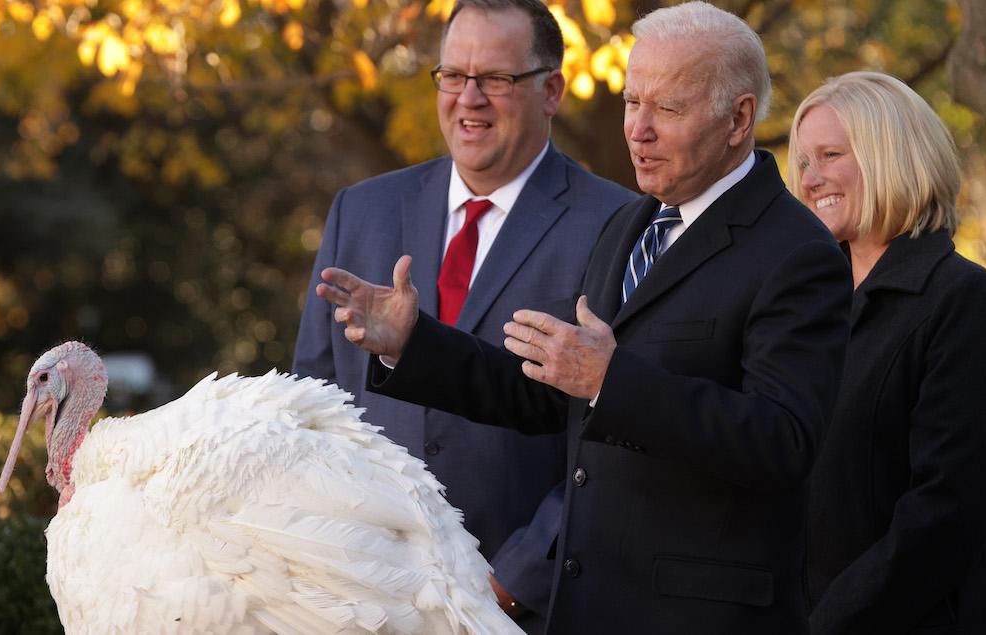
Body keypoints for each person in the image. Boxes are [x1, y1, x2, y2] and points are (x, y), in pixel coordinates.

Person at [317, 2, 851, 632]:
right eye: (631, 103)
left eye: (667, 108)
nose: (638, 131)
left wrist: (609, 381)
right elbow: (548, 395)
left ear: (738, 119)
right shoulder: (634, 225)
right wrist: (413, 344)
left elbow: (783, 442)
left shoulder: (796, 250)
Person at [291, 0, 635, 627]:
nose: (469, 98)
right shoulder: (361, 211)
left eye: (497, 79)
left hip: (525, 606)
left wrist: (513, 581)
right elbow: (310, 404)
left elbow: (614, 444)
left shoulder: (615, 225)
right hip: (368, 598)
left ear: (551, 90)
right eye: (453, 75)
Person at [788, 71, 986, 634]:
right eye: (804, 161)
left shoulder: (967, 301)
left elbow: (945, 512)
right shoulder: (810, 308)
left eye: (830, 154)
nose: (810, 179)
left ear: (890, 156)